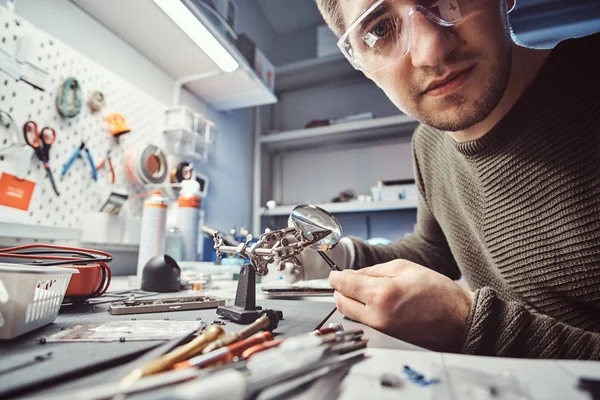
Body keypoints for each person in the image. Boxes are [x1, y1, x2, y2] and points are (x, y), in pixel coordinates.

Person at [281, 0, 600, 359]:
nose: (431, 49)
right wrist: (344, 253)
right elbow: (435, 250)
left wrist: (472, 326)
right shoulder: (429, 143)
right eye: (380, 29)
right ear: (359, 62)